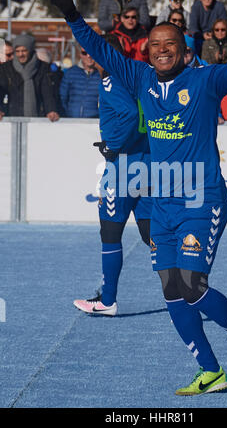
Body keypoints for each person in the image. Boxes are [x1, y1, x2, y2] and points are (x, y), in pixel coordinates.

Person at [51, 0, 227, 395]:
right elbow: (99, 49)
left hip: (201, 200)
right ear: (146, 52)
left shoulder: (204, 81)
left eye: (170, 44)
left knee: (192, 285)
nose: (162, 50)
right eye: (155, 45)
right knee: (171, 289)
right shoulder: (140, 78)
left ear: (185, 51)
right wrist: (72, 15)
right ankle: (210, 370)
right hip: (162, 202)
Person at [74, 34, 152, 316]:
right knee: (150, 234)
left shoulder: (110, 81)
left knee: (110, 232)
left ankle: (107, 300)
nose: (88, 56)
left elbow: (130, 115)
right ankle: (183, 290)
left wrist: (113, 145)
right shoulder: (135, 77)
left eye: (91, 51)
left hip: (122, 168)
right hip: (146, 163)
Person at [0, 34, 59, 121]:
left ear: (31, 50)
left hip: (37, 116)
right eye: (17, 51)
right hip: (10, 115)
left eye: (24, 51)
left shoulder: (42, 67)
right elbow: (1, 90)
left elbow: (47, 93)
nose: (21, 54)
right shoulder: (6, 68)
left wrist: (51, 110)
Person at [59, 46, 101, 118]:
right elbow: (62, 97)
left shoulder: (101, 75)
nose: (89, 56)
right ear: (80, 55)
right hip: (72, 121)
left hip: (94, 122)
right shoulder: (70, 73)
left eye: (91, 52)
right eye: (85, 53)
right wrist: (67, 115)